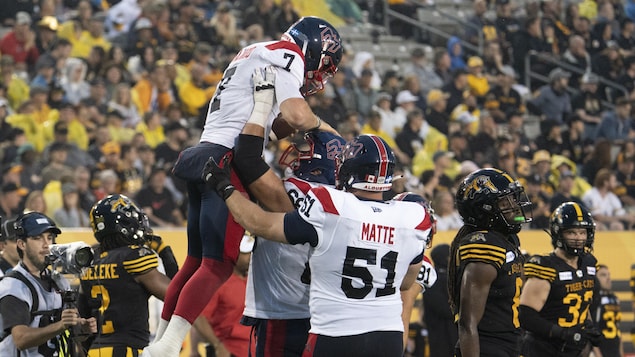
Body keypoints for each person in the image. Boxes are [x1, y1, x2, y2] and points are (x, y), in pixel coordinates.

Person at [146, 16, 343, 357]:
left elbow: (273, 125)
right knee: (218, 263)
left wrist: (277, 115)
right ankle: (168, 344)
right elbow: (296, 116)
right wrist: (327, 129)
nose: (320, 75)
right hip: (227, 158)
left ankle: (162, 340)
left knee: (195, 260)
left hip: (206, 150)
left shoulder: (257, 51)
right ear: (313, 46)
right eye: (324, 63)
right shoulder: (288, 55)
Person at [203, 134, 432, 356]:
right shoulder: (412, 214)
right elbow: (406, 282)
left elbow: (261, 224)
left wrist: (224, 187)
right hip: (388, 336)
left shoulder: (332, 205)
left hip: (336, 333)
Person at [242, 130, 346, 357]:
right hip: (329, 317)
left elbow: (245, 158)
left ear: (321, 165)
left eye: (307, 150)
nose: (299, 154)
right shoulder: (348, 202)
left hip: (282, 311)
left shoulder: (288, 190)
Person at [449, 168, 532, 357]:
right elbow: (467, 323)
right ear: (484, 210)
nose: (514, 207)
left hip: (511, 343)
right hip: (488, 347)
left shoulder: (507, 240)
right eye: (505, 202)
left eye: (513, 199)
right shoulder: (484, 247)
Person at [78, 194, 174, 356]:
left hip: (96, 350)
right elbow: (177, 297)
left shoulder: (90, 258)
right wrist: (165, 252)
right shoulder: (132, 257)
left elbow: (82, 317)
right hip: (127, 350)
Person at [0, 212, 97, 356]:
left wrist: (82, 329)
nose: (46, 245)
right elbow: (20, 339)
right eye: (37, 238)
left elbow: (70, 336)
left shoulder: (59, 282)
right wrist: (60, 325)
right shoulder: (13, 285)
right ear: (21, 244)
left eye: (49, 238)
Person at [519, 202, 601, 357]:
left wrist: (588, 326)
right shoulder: (546, 267)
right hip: (542, 349)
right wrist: (563, 333)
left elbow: (583, 304)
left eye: (582, 232)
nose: (578, 238)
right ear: (558, 233)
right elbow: (526, 316)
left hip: (572, 350)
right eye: (571, 232)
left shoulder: (589, 264)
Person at [423, 243, 457, 357]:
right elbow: (443, 308)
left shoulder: (449, 277)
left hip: (448, 333)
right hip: (441, 334)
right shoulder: (433, 279)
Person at [590, 264, 624, 357]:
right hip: (601, 351)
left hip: (614, 350)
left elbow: (618, 329)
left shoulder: (615, 299)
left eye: (609, 275)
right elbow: (591, 331)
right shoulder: (594, 300)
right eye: (603, 275)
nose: (608, 278)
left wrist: (621, 353)